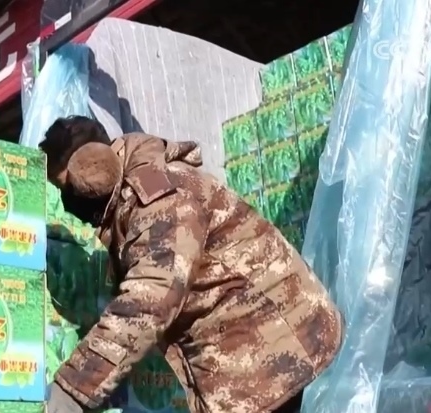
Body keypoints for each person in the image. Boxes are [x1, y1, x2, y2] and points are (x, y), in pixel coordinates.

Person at [39, 116, 344, 413]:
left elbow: (149, 301)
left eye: (67, 186)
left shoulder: (161, 198)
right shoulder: (130, 199)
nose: (67, 201)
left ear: (94, 166)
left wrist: (72, 391)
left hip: (272, 345)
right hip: (248, 346)